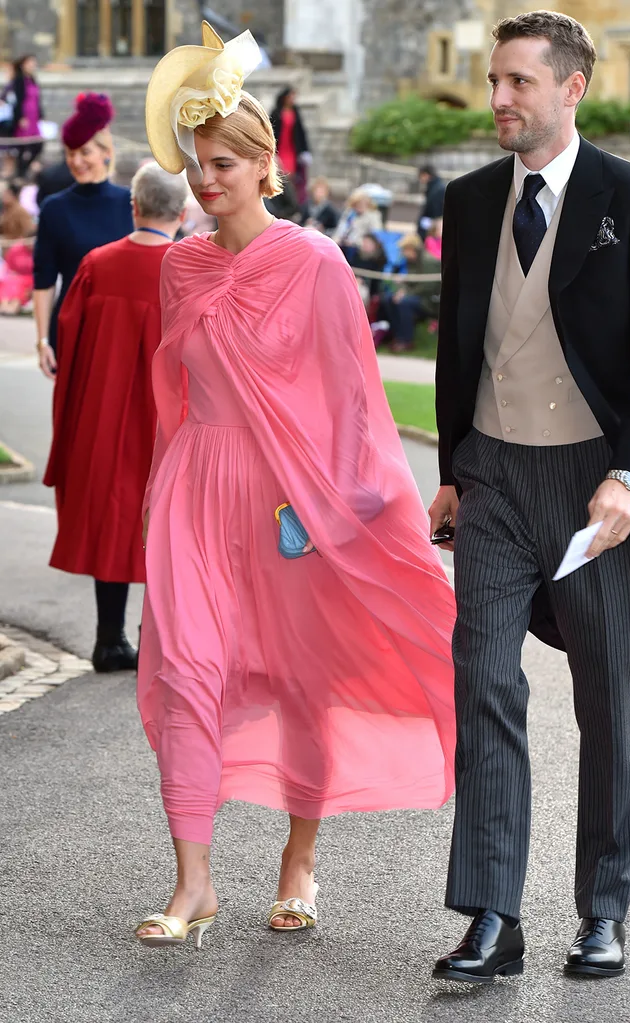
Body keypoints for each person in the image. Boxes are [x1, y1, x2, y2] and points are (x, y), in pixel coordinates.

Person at [134, 22, 456, 948]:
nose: (205, 180)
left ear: (263, 167)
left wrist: (348, 509)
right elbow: (176, 392)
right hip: (198, 490)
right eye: (197, 163)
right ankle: (193, 883)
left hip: (291, 502)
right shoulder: (180, 265)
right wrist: (161, 493)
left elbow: (354, 400)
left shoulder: (315, 262)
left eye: (225, 163)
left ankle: (299, 863)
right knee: (193, 672)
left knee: (302, 681)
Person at [430, 11, 630, 985]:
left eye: (517, 82)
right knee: (481, 681)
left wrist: (629, 475)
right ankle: (491, 914)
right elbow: (454, 342)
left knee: (604, 697)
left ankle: (600, 911)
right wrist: (448, 467)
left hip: (586, 482)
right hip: (489, 473)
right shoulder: (468, 200)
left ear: (569, 89)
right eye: (492, 81)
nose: (497, 100)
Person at [43, 163, 187, 672]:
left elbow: (67, 344)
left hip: (103, 415)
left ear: (133, 205)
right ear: (184, 211)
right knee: (171, 525)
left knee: (113, 515)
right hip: (167, 420)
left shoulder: (96, 265)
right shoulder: (190, 270)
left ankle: (109, 638)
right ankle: (157, 640)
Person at [33, 93, 133, 378]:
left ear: (105, 152)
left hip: (122, 328)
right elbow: (44, 280)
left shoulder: (132, 204)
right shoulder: (54, 208)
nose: (76, 161)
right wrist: (42, 341)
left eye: (84, 152)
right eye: (70, 153)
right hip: (70, 326)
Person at [379, 233, 440, 353]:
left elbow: (428, 286)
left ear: (413, 248)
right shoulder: (411, 260)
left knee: (404, 303)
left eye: (405, 249)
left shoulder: (429, 261)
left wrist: (405, 294)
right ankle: (397, 336)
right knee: (387, 299)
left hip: (430, 301)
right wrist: (400, 291)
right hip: (416, 296)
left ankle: (406, 340)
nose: (403, 252)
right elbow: (408, 281)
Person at [270, 86, 311, 204]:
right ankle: (281, 201)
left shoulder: (295, 111)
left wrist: (305, 150)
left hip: (292, 149)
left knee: (292, 176)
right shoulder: (276, 111)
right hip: (280, 148)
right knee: (281, 174)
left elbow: (301, 131)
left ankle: (292, 201)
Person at [4, 55, 44, 178]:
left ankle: (24, 169)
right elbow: (17, 100)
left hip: (34, 117)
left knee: (37, 144)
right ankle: (20, 172)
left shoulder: (32, 79)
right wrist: (20, 117)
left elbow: (37, 100)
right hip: (24, 118)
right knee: (22, 146)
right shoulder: (19, 80)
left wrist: (41, 115)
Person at [0, 181, 36, 314]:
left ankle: (13, 306)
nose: (4, 197)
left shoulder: (20, 212)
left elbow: (29, 232)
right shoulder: (7, 210)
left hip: (19, 249)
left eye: (7, 194)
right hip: (10, 253)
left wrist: (21, 243)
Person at [333, 189, 383, 265]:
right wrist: (335, 240)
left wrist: (355, 242)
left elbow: (375, 236)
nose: (360, 206)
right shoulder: (349, 214)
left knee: (351, 251)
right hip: (344, 243)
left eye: (363, 203)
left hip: (361, 246)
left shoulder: (373, 216)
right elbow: (340, 230)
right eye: (357, 204)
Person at [417, 164, 446, 240]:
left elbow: (436, 210)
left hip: (433, 225)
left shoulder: (436, 189)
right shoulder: (435, 187)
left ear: (426, 175)